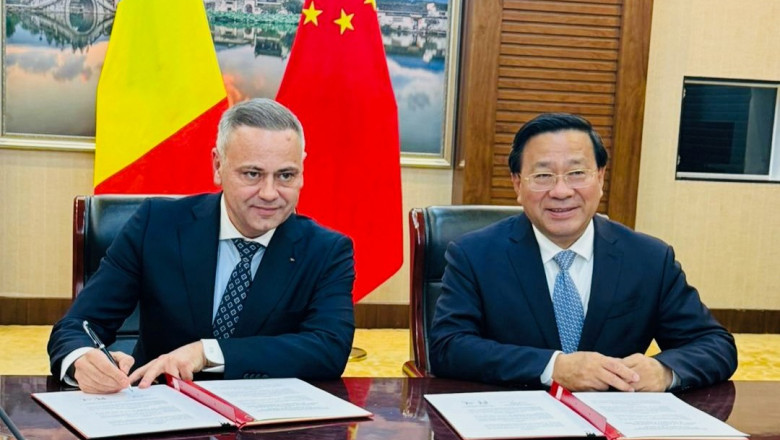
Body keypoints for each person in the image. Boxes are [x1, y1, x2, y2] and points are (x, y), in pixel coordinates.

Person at [48, 98, 356, 394]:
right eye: (252, 174)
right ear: (218, 166)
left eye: (286, 175)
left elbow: (329, 349)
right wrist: (83, 360)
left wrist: (208, 352)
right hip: (159, 407)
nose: (269, 193)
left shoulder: (327, 251)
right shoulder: (156, 225)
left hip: (265, 417)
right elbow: (77, 327)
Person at [429, 113, 737, 392]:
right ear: (517, 184)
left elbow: (715, 345)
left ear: (600, 178)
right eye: (543, 176)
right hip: (514, 420)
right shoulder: (474, 255)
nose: (561, 191)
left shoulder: (649, 259)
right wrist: (553, 367)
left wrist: (664, 371)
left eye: (577, 173)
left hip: (613, 423)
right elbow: (447, 347)